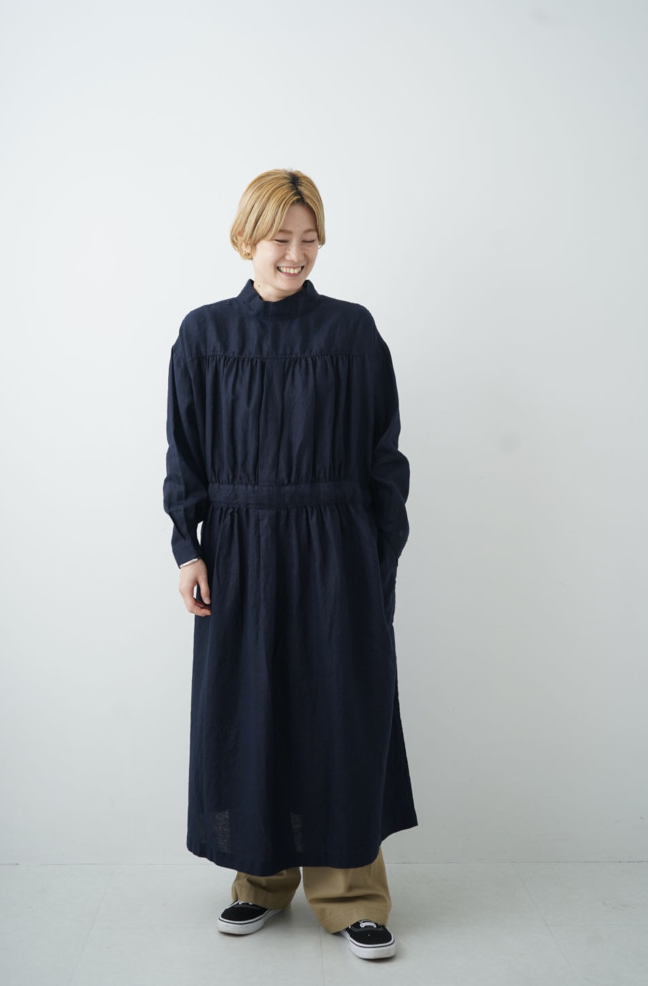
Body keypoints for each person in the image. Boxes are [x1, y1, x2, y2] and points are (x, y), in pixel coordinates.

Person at [164, 169, 417, 961]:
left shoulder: (351, 331)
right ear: (247, 238)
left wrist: (377, 558)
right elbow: (184, 454)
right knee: (252, 710)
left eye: (309, 239)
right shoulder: (204, 335)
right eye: (281, 237)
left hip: (336, 545)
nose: (296, 254)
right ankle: (259, 881)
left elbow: (384, 456)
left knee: (341, 711)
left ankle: (352, 898)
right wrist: (187, 547)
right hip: (239, 549)